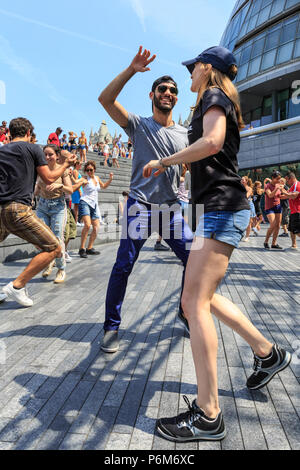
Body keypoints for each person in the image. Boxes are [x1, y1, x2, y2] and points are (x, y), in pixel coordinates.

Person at [143, 46, 291, 443]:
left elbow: (211, 143)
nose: (190, 73)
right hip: (216, 209)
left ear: (208, 69)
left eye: (193, 67)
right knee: (201, 299)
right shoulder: (216, 99)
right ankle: (267, 353)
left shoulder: (213, 95)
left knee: (192, 304)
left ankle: (209, 414)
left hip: (222, 209)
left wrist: (165, 161)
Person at [98, 46, 194, 353]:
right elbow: (106, 100)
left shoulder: (185, 133)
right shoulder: (138, 125)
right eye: (162, 89)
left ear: (177, 98)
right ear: (152, 95)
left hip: (171, 210)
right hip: (140, 205)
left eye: (173, 91)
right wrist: (130, 70)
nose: (168, 92)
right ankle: (111, 327)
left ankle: (185, 310)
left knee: (196, 260)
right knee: (123, 266)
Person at [0, 118, 76, 306]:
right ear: (28, 134)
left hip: (1, 209)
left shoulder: (1, 150)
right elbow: (49, 178)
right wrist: (66, 164)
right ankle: (17, 287)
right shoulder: (32, 148)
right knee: (54, 247)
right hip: (18, 209)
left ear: (10, 133)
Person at [35, 145, 73, 284]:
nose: (47, 157)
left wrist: (60, 186)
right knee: (42, 237)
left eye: (50, 154)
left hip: (58, 206)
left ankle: (61, 269)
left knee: (57, 237)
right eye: (45, 154)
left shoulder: (62, 170)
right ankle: (49, 261)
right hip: (42, 206)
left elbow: (70, 190)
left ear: (57, 155)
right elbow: (37, 188)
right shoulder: (40, 169)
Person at [78, 161, 113, 258]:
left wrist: (110, 179)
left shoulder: (97, 178)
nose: (89, 172)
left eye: (91, 170)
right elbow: (76, 182)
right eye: (87, 170)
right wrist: (72, 176)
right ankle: (82, 249)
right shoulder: (84, 178)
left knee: (97, 227)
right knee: (87, 225)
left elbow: (104, 186)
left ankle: (89, 248)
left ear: (94, 170)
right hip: (84, 202)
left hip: (94, 204)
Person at [264, 170, 284, 250]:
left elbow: (282, 195)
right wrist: (276, 188)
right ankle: (266, 241)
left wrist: (290, 195)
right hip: (269, 208)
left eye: (280, 179)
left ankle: (274, 244)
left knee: (278, 225)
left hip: (278, 206)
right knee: (273, 224)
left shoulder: (279, 185)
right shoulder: (267, 186)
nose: (279, 180)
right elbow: (270, 195)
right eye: (277, 179)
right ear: (272, 178)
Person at [283, 172, 300, 250]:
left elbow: (293, 196)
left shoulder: (297, 185)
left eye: (287, 180)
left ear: (292, 178)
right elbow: (286, 195)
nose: (287, 182)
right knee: (291, 229)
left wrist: (282, 190)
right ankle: (294, 246)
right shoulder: (292, 186)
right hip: (293, 212)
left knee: (297, 231)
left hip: (297, 211)